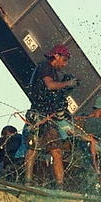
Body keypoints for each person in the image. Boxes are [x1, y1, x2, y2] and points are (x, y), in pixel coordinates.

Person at [23, 44, 79, 188]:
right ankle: (27, 182)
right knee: (33, 148)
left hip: (48, 117)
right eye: (64, 60)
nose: (65, 64)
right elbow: (50, 85)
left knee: (56, 151)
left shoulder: (53, 71)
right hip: (37, 115)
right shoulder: (45, 67)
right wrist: (67, 83)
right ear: (56, 56)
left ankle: (60, 186)